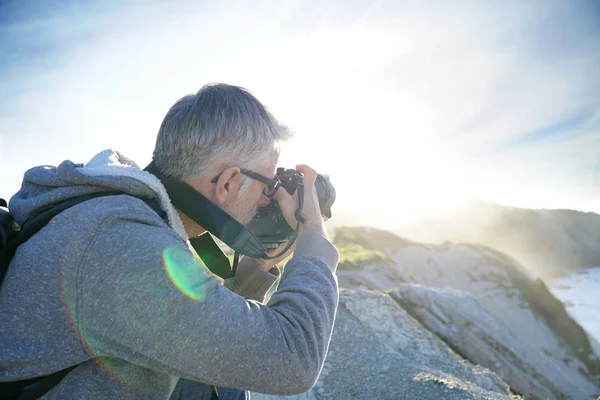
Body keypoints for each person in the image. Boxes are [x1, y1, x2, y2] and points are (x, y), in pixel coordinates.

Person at [0, 83, 339, 399]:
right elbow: (293, 359)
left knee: (223, 384)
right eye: (268, 184)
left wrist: (258, 266)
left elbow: (208, 333)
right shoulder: (123, 246)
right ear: (227, 184)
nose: (270, 199)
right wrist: (314, 239)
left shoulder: (127, 209)